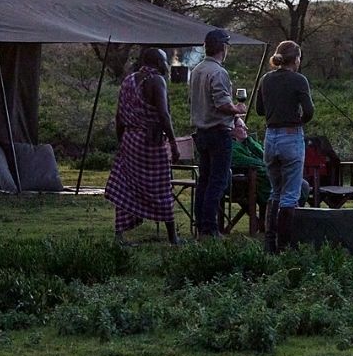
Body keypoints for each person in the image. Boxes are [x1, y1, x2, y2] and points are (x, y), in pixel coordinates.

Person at [104, 47, 181, 245]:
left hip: (130, 139)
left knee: (127, 185)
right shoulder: (157, 81)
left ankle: (119, 234)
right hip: (150, 142)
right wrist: (173, 143)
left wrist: (121, 140)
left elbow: (119, 115)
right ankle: (173, 237)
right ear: (157, 62)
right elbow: (164, 115)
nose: (166, 64)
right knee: (160, 186)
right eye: (164, 60)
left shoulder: (128, 80)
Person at [256, 40, 314, 253]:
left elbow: (260, 110)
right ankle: (286, 247)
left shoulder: (266, 79)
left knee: (275, 192)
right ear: (296, 59)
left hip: (270, 138)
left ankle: (270, 245)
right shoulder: (299, 80)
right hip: (291, 137)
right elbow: (309, 111)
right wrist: (299, 120)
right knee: (291, 194)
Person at [189, 28, 247, 239]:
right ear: (223, 47)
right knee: (218, 181)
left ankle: (201, 227)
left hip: (201, 132)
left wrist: (235, 118)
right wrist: (237, 110)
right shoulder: (219, 72)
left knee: (204, 180)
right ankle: (210, 228)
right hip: (218, 133)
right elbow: (222, 103)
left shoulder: (196, 70)